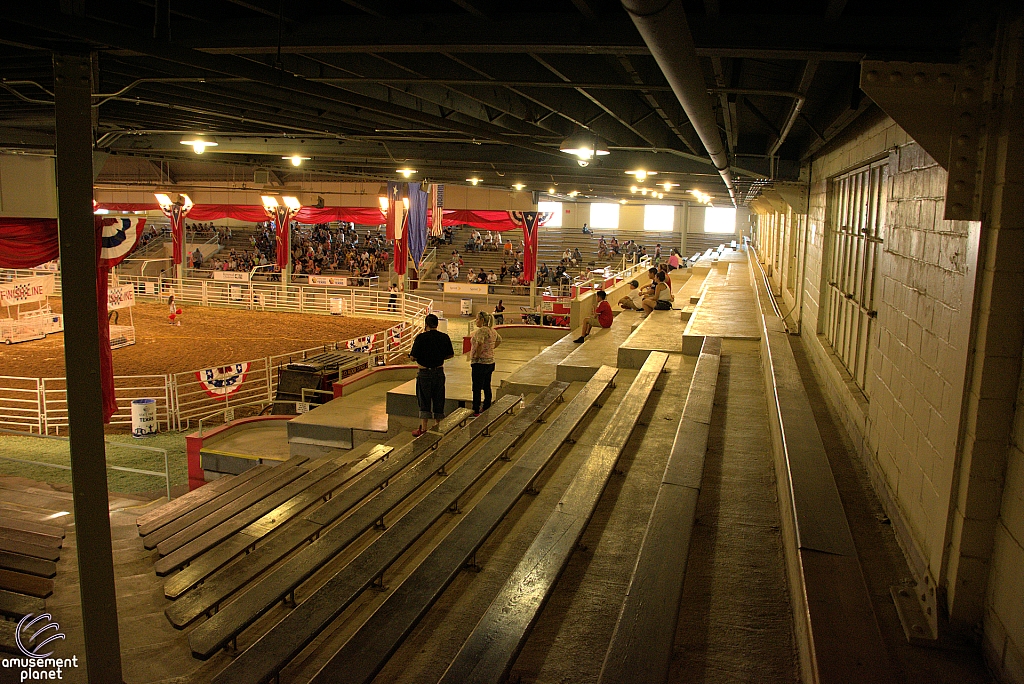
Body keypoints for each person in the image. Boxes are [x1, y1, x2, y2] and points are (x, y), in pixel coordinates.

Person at [409, 314, 455, 436]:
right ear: (437, 324)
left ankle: (424, 428)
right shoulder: (444, 337)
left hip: (424, 373)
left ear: (426, 325)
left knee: (424, 400)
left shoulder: (421, 338)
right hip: (439, 372)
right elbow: (450, 354)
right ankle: (437, 426)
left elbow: (413, 357)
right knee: (439, 399)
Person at [469, 311, 502, 416]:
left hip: (480, 363)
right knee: (487, 385)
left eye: (478, 319)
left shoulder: (481, 331)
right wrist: (490, 349)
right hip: (490, 362)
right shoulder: (492, 331)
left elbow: (479, 344)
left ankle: (476, 409)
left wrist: (477, 356)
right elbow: (499, 340)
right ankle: (487, 405)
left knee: (477, 387)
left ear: (482, 320)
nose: (476, 321)